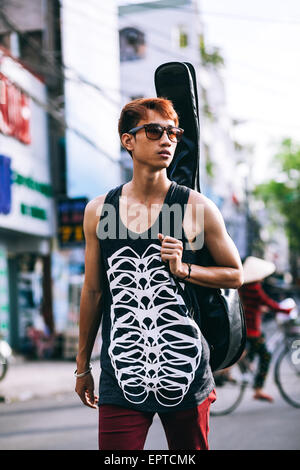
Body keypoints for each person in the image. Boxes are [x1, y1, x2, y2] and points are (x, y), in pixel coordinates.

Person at [75, 98, 244, 450]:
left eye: (173, 132)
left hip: (185, 372)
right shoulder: (99, 211)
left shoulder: (195, 207)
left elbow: (235, 273)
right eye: (154, 131)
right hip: (121, 372)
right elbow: (92, 292)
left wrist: (185, 270)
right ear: (128, 141)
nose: (167, 140)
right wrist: (82, 366)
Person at [239, 256, 292, 402]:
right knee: (265, 356)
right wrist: (284, 310)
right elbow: (268, 302)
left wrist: (261, 309)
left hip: (246, 326)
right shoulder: (254, 287)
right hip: (252, 330)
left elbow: (252, 304)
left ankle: (239, 366)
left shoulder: (244, 285)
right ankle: (258, 389)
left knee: (249, 353)